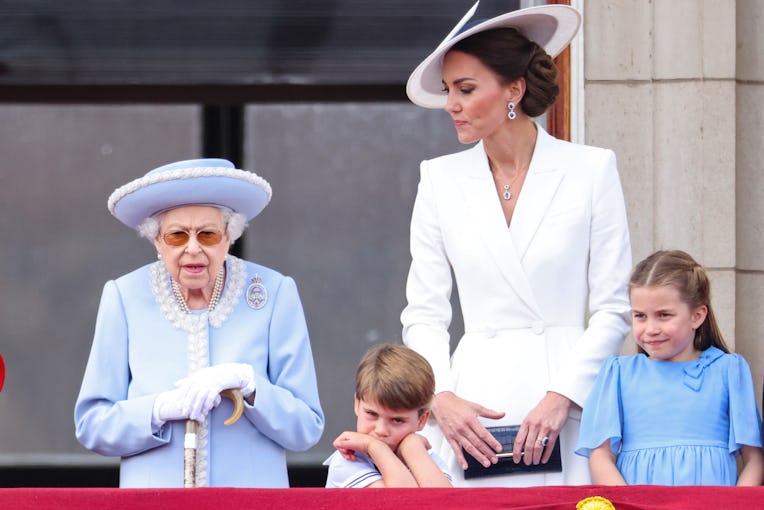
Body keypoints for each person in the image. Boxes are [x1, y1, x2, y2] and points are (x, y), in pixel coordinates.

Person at [400, 3, 632, 486]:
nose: (451, 105)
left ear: (514, 90)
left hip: (564, 404)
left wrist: (563, 396)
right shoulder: (438, 179)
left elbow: (614, 308)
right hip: (472, 411)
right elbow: (423, 313)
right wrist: (441, 397)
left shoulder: (591, 169)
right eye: (449, 91)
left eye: (465, 89)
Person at [74, 158, 324, 487]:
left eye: (207, 234)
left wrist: (250, 387)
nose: (193, 248)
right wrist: (158, 409)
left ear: (229, 237)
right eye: (177, 236)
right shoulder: (124, 296)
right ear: (156, 241)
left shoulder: (274, 293)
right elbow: (92, 425)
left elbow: (306, 428)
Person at [576, 250, 764, 486]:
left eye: (663, 315)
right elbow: (601, 457)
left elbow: (755, 459)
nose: (651, 328)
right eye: (640, 316)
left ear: (697, 316)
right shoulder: (618, 374)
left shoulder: (729, 370)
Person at [324, 343, 453, 488]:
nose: (381, 430)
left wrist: (412, 448)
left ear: (421, 420)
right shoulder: (347, 460)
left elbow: (445, 503)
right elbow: (402, 503)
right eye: (372, 414)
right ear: (357, 404)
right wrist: (376, 447)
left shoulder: (425, 458)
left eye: (397, 420)